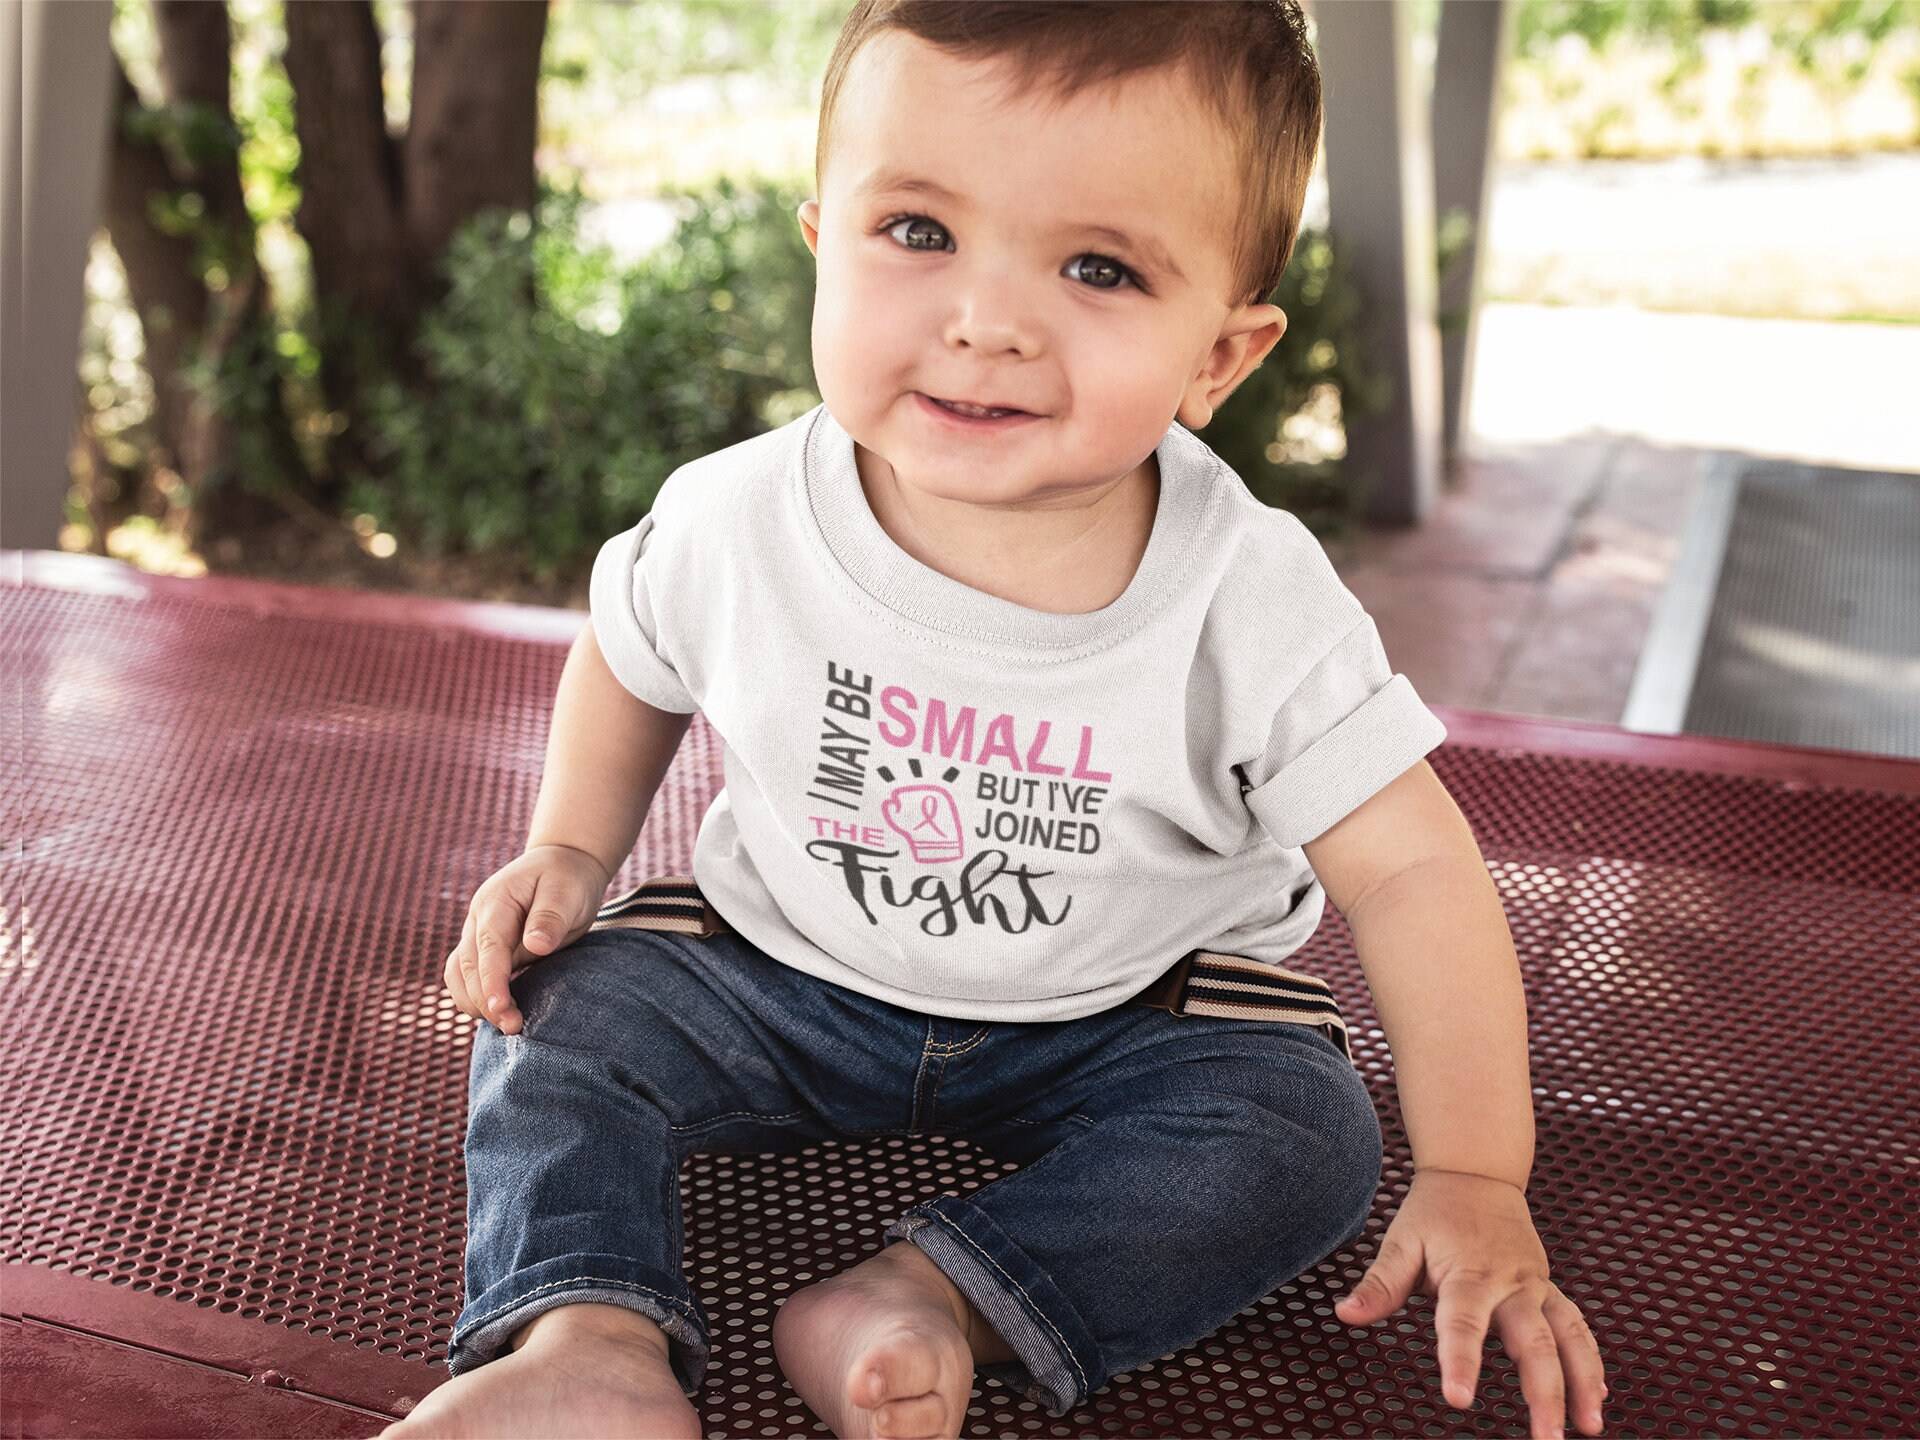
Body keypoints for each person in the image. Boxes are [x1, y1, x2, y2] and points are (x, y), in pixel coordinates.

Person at [378, 4, 1610, 1438]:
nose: (987, 320)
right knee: (560, 1007)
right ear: (822, 239)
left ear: (1220, 355)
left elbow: (1407, 867)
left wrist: (1475, 1171)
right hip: (784, 969)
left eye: (1098, 267)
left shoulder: (1248, 597)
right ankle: (582, 1336)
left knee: (1307, 1137)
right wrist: (574, 849)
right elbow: (631, 653)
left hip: (1126, 1016)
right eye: (918, 232)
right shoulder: (737, 516)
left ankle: (930, 1298)